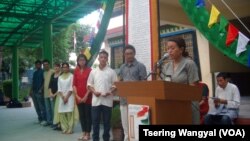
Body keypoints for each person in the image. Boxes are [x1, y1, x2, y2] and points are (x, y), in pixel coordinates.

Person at [161, 37, 200, 124]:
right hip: (172, 105)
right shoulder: (166, 66)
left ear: (181, 49)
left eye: (172, 48)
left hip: (188, 105)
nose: (169, 51)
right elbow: (163, 86)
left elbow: (193, 88)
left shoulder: (189, 64)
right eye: (168, 48)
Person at [87, 50, 118, 141]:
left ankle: (106, 139)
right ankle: (95, 139)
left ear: (107, 59)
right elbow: (89, 85)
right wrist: (94, 92)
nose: (103, 59)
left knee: (106, 122)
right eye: (101, 57)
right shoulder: (93, 72)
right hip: (96, 101)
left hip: (107, 101)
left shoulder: (111, 72)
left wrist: (109, 91)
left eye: (105, 57)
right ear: (98, 59)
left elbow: (115, 85)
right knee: (95, 122)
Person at [119, 45, 147, 141]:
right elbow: (120, 81)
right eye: (127, 54)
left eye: (130, 53)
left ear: (134, 54)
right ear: (124, 55)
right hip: (123, 100)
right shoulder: (122, 67)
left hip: (137, 101)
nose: (129, 56)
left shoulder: (141, 66)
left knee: (136, 125)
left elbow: (144, 84)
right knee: (126, 127)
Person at [73, 54, 92, 140]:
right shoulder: (76, 71)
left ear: (86, 61)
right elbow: (74, 85)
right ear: (78, 61)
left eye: (83, 60)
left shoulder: (90, 70)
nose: (82, 61)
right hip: (78, 97)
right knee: (82, 116)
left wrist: (85, 96)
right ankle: (83, 132)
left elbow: (91, 84)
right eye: (80, 60)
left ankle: (88, 134)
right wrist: (77, 96)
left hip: (87, 97)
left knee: (88, 116)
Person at [57, 62, 76, 134]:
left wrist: (66, 97)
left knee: (69, 113)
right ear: (62, 68)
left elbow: (71, 88)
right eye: (63, 67)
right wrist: (62, 97)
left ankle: (70, 128)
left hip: (70, 96)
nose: (65, 68)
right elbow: (59, 88)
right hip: (61, 97)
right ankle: (64, 128)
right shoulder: (60, 77)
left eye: (66, 67)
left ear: (68, 68)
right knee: (62, 113)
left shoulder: (72, 76)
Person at [30, 60, 47, 125]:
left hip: (40, 92)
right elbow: (33, 82)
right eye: (36, 64)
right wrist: (30, 91)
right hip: (34, 91)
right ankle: (40, 118)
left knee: (42, 106)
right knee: (36, 106)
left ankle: (44, 119)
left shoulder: (43, 72)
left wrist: (41, 89)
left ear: (41, 65)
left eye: (39, 64)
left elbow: (44, 82)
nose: (37, 66)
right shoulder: (35, 73)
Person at [48, 63, 61, 130]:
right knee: (53, 110)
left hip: (58, 95)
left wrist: (55, 94)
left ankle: (59, 124)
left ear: (59, 67)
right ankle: (55, 123)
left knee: (58, 110)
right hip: (52, 95)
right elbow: (49, 86)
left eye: (57, 67)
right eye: (55, 67)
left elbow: (61, 87)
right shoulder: (52, 75)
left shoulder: (61, 75)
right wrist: (50, 93)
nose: (56, 68)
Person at [43, 59, 54, 126]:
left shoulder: (53, 71)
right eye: (44, 65)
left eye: (47, 64)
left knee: (52, 108)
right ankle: (49, 121)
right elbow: (45, 82)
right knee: (47, 109)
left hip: (51, 93)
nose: (45, 66)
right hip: (45, 93)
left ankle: (54, 122)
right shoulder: (44, 73)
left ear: (49, 65)